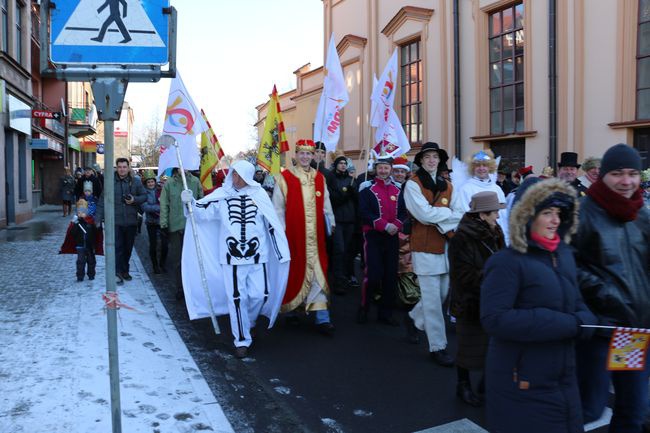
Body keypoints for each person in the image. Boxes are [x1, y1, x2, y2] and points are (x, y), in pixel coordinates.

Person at [480, 177, 597, 433]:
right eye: (547, 213)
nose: (555, 220)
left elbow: (575, 300)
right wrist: (568, 324)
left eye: (559, 213)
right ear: (527, 215)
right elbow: (495, 319)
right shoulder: (506, 262)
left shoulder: (563, 255)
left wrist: (587, 321)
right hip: (521, 381)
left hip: (563, 375)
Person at [572, 143, 650, 432]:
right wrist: (606, 294)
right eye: (618, 173)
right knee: (588, 408)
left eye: (632, 173)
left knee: (633, 408)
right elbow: (568, 266)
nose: (626, 181)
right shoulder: (582, 213)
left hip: (632, 331)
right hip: (599, 331)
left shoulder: (642, 213)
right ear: (602, 176)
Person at [181, 160, 291, 358]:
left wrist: (280, 251)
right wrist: (189, 203)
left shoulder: (260, 196)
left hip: (258, 255)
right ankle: (241, 339)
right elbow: (200, 214)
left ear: (248, 176)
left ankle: (247, 324)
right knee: (237, 299)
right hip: (232, 258)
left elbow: (271, 224)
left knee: (261, 295)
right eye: (234, 174)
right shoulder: (222, 197)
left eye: (239, 175)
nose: (235, 178)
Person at [403, 142, 463, 366]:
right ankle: (438, 346)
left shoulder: (448, 185)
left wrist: (439, 216)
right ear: (421, 160)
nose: (431, 160)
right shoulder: (413, 185)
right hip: (424, 246)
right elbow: (422, 214)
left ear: (439, 160)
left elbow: (460, 213)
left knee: (442, 295)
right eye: (427, 157)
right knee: (432, 301)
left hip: (445, 246)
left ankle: (412, 319)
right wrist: (445, 215)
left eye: (434, 157)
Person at [272, 139, 336, 335]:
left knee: (319, 273)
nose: (306, 157)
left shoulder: (319, 178)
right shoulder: (284, 178)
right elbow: (278, 209)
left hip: (316, 240)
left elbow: (326, 205)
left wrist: (331, 223)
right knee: (294, 272)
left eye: (309, 154)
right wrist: (281, 233)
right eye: (302, 153)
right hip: (293, 237)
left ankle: (322, 318)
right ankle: (292, 311)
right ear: (296, 155)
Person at [449, 191, 505, 407]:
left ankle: (485, 384)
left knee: (492, 345)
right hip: (469, 301)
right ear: (482, 215)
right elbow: (461, 275)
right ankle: (462, 385)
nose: (498, 217)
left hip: (492, 298)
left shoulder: (495, 230)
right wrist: (493, 275)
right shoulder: (462, 238)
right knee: (468, 347)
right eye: (494, 213)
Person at [357, 156, 406, 325]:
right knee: (373, 275)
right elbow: (364, 213)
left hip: (392, 238)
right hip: (373, 237)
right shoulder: (367, 190)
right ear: (376, 169)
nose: (383, 171)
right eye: (380, 167)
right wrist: (384, 225)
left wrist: (397, 225)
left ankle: (385, 313)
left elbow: (404, 213)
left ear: (390, 169)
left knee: (390, 276)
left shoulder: (399, 191)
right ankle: (364, 308)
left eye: (386, 167)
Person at [96, 158, 147, 285]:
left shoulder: (135, 182)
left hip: (131, 221)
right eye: (119, 167)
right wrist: (98, 218)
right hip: (115, 221)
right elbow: (102, 200)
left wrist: (134, 200)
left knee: (128, 248)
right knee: (117, 248)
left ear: (128, 168)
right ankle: (118, 272)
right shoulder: (110, 182)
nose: (122, 169)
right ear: (116, 168)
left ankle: (125, 270)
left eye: (124, 167)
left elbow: (144, 196)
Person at [160, 168, 203, 298]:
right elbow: (164, 204)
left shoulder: (195, 181)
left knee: (193, 259)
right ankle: (180, 287)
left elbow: (201, 201)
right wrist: (164, 223)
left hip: (192, 227)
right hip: (176, 227)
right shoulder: (169, 183)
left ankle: (194, 287)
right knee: (178, 259)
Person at [327, 155, 357, 295]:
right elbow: (333, 200)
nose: (343, 165)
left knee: (347, 250)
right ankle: (337, 279)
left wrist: (353, 192)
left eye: (345, 163)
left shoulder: (351, 180)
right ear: (336, 165)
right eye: (341, 163)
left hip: (350, 220)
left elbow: (357, 200)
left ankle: (345, 277)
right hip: (338, 220)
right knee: (339, 249)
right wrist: (345, 195)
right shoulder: (332, 179)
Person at [141, 171, 168, 274]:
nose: (151, 184)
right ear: (146, 184)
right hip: (151, 222)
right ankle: (155, 265)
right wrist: (159, 208)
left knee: (164, 245)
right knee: (153, 245)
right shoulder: (143, 193)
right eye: (149, 182)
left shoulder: (161, 190)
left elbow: (166, 202)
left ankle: (163, 263)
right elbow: (145, 207)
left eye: (152, 182)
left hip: (162, 221)